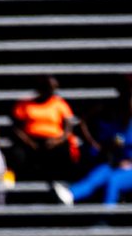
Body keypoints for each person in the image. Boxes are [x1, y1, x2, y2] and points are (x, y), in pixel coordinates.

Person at [53, 77, 132, 207]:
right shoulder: (119, 123)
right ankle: (71, 195)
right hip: (119, 166)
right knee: (102, 171)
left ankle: (106, 219)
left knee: (114, 180)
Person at [10, 76, 78, 183]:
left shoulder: (59, 104)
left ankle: (57, 184)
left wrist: (57, 141)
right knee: (18, 154)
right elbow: (16, 127)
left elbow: (68, 127)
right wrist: (29, 142)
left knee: (63, 152)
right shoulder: (25, 104)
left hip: (53, 141)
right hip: (30, 141)